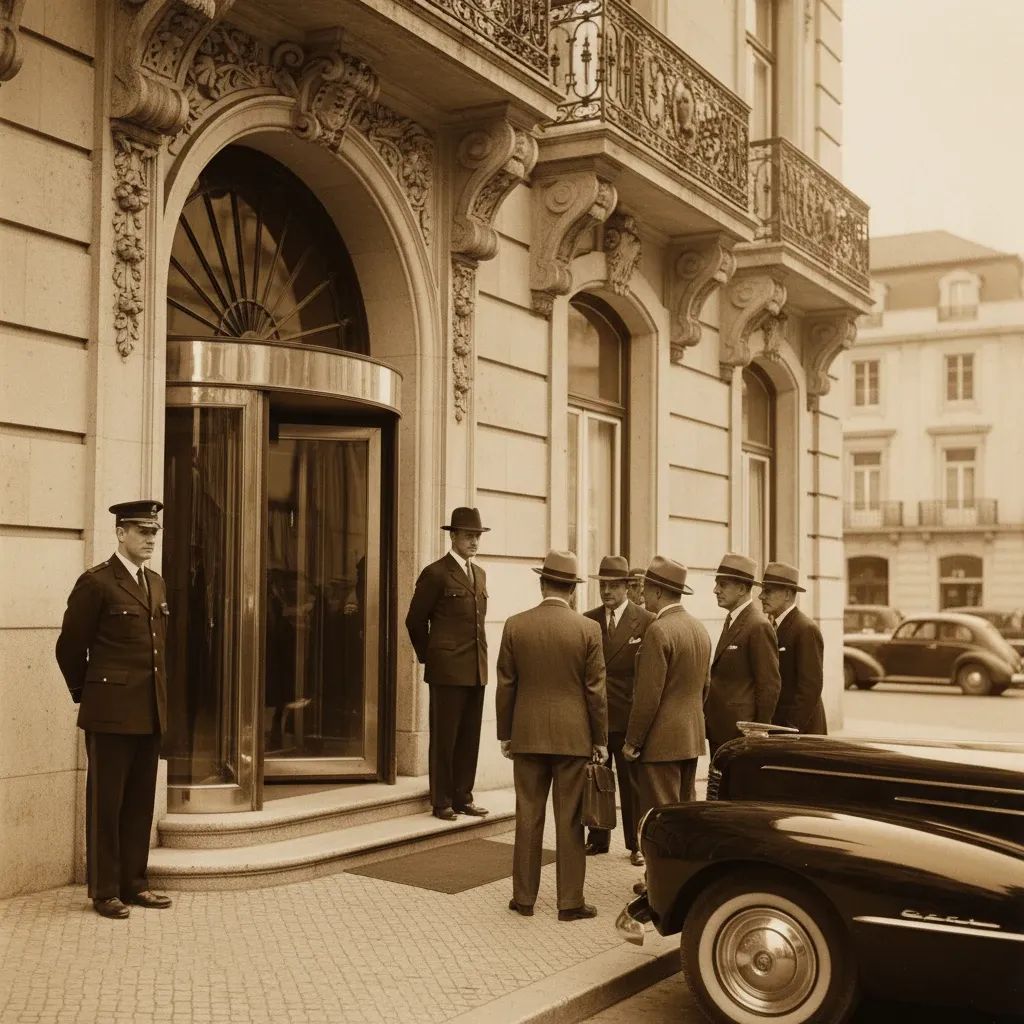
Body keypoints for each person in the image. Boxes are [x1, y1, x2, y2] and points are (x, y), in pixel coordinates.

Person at [55, 500, 173, 919]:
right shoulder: (97, 583)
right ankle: (105, 890)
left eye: (154, 532)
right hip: (109, 713)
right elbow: (69, 647)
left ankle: (134, 883)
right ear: (121, 533)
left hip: (148, 710)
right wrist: (86, 694)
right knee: (106, 803)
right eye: (142, 531)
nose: (150, 539)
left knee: (140, 802)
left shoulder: (156, 583)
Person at [496, 551, 608, 921]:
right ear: (572, 590)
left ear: (542, 583)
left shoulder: (515, 625)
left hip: (527, 735)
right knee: (570, 820)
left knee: (528, 816)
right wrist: (600, 740)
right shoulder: (588, 630)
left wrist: (505, 733)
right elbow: (596, 692)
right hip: (573, 737)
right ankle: (570, 902)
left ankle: (524, 898)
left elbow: (506, 685)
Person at [405, 507, 490, 821]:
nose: (474, 541)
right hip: (447, 670)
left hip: (475, 668)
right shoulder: (436, 573)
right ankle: (441, 800)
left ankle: (463, 796)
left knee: (469, 737)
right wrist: (432, 657)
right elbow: (415, 620)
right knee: (445, 737)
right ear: (453, 536)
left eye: (477, 536)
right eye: (468, 535)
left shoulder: (479, 573)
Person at [622, 556, 710, 828]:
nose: (642, 594)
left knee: (660, 820)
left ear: (658, 591)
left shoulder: (658, 630)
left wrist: (633, 741)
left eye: (645, 588)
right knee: (685, 818)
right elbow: (705, 687)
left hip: (660, 743)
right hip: (690, 738)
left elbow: (648, 696)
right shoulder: (699, 628)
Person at [581, 555, 653, 866]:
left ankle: (636, 844)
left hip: (628, 717)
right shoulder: (588, 620)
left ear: (627, 586)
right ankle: (597, 837)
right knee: (597, 778)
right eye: (603, 585)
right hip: (596, 716)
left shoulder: (646, 621)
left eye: (613, 585)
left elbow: (649, 675)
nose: (607, 591)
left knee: (632, 784)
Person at [705, 553, 781, 756]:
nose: (716, 590)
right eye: (717, 584)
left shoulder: (757, 625)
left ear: (741, 589)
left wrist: (759, 732)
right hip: (723, 729)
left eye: (722, 585)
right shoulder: (733, 620)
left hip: (741, 733)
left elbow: (769, 685)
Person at [759, 562, 827, 734]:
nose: (761, 596)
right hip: (781, 726)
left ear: (788, 594)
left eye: (768, 591)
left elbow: (810, 687)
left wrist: (790, 728)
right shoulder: (773, 625)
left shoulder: (805, 629)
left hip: (800, 730)